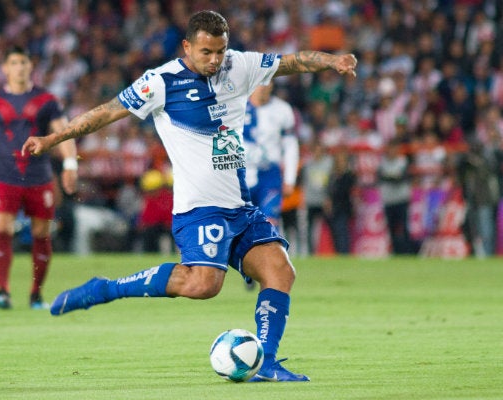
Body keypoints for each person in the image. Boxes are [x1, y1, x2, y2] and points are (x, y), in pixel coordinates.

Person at [22, 10, 356, 381]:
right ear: (187, 46)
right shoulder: (161, 82)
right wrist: (53, 140)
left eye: (220, 51)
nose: (215, 60)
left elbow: (290, 62)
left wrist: (332, 61)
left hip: (239, 208)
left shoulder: (239, 66)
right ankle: (106, 289)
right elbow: (106, 113)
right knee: (202, 285)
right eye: (206, 52)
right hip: (200, 209)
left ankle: (267, 363)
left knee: (280, 271)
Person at [0, 45, 78, 310]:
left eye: (24, 62)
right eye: (14, 62)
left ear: (31, 67)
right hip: (4, 177)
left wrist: (70, 165)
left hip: (39, 177)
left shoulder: (47, 101)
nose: (19, 67)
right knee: (2, 230)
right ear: (5, 68)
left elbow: (63, 133)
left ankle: (35, 295)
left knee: (41, 234)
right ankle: (3, 291)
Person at [243, 82, 299, 227]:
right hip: (241, 175)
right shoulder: (236, 107)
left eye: (266, 82)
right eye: (258, 82)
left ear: (272, 85)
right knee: (241, 225)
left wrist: (289, 179)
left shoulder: (283, 110)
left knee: (269, 224)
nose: (262, 87)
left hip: (269, 175)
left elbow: (290, 146)